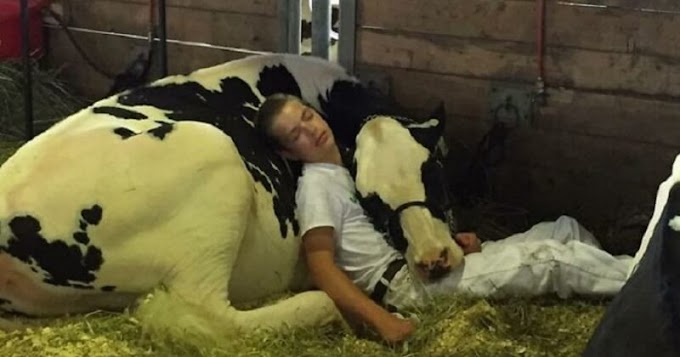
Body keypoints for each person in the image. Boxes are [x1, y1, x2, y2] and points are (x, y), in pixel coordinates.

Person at [253, 93, 635, 344]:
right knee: (551, 260)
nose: (311, 130)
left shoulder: (353, 163)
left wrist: (455, 245)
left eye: (307, 116)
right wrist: (381, 321)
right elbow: (320, 265)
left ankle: (612, 296)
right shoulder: (316, 187)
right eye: (296, 134)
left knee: (563, 227)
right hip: (405, 287)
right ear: (288, 153)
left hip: (423, 263)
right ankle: (648, 282)